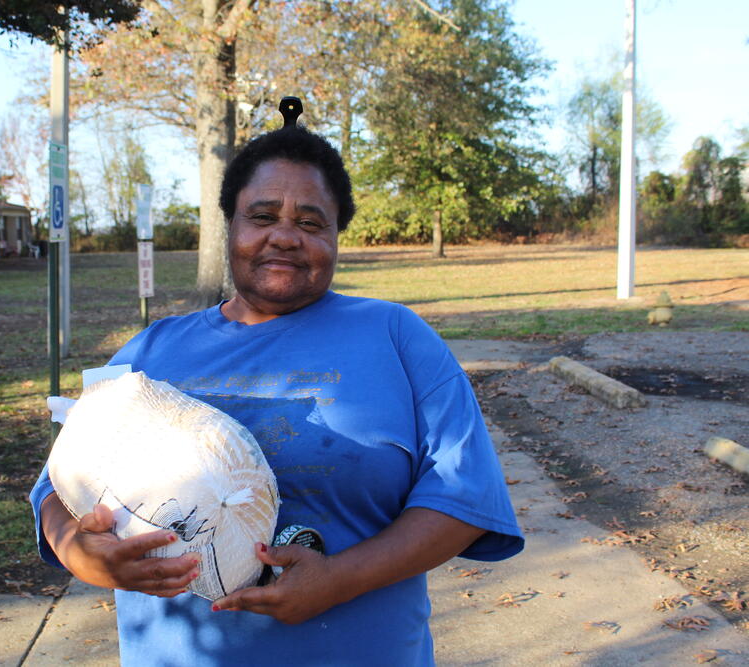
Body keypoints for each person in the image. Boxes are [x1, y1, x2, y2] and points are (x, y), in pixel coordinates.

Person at [30, 121, 523, 666]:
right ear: (231, 226)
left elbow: (464, 496)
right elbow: (58, 478)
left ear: (337, 236)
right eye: (262, 216)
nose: (285, 236)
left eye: (310, 222)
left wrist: (339, 579)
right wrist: (77, 550)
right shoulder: (149, 351)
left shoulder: (396, 337)